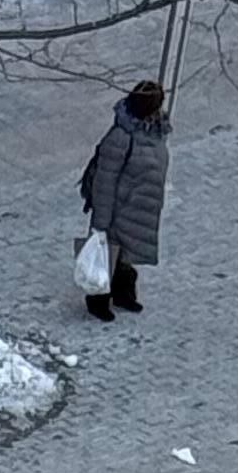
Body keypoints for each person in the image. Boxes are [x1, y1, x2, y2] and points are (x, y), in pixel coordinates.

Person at [80, 81, 169, 321]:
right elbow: (104, 181)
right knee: (107, 253)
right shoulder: (121, 137)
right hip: (120, 209)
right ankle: (97, 302)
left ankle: (123, 294)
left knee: (126, 255)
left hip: (139, 208)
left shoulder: (155, 131)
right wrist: (101, 221)